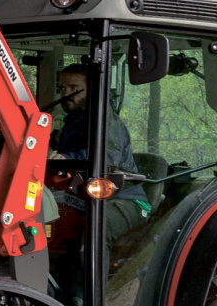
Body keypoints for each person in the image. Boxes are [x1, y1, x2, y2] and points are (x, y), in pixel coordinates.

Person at [51, 63, 151, 253]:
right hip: (86, 195)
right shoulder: (74, 122)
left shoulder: (106, 123)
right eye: (63, 88)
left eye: (74, 88)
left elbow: (105, 159)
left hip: (125, 198)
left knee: (97, 224)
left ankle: (88, 282)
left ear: (93, 91)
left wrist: (68, 158)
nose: (65, 95)